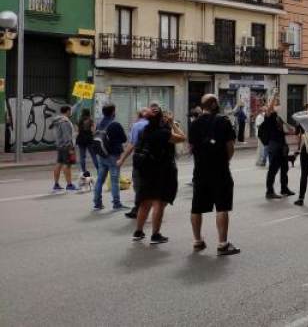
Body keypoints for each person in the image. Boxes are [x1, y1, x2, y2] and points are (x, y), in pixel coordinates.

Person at [188, 94, 240, 256]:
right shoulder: (223, 121)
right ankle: (222, 244)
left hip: (200, 170)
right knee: (222, 206)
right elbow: (230, 147)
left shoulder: (194, 124)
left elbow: (190, 148)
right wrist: (225, 161)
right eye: (217, 101)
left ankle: (197, 241)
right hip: (220, 169)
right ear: (213, 104)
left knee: (196, 207)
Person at [129, 107, 184, 244]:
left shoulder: (144, 131)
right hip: (162, 171)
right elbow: (182, 138)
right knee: (158, 202)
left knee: (145, 202)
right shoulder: (163, 133)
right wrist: (172, 123)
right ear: (161, 118)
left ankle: (138, 231)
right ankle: (155, 234)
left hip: (146, 171)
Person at [92, 103, 128, 211]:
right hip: (113, 156)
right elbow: (124, 139)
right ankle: (116, 203)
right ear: (112, 112)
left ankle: (97, 203)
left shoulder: (99, 123)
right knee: (114, 180)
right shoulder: (115, 124)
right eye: (115, 110)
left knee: (100, 179)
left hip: (102, 154)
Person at [261, 98, 295, 199]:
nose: (277, 106)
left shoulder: (277, 117)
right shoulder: (269, 116)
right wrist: (274, 96)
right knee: (273, 170)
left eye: (278, 104)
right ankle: (269, 191)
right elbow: (269, 109)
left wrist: (289, 131)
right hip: (274, 146)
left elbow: (280, 130)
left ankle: (284, 189)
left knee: (285, 168)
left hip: (282, 145)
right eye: (275, 104)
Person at [50, 105, 77, 192]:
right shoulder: (65, 121)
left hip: (59, 145)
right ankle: (69, 184)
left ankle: (56, 184)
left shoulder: (58, 120)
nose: (71, 112)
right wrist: (70, 147)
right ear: (68, 111)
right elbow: (66, 136)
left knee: (59, 163)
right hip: (66, 146)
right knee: (67, 165)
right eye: (70, 110)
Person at [76, 108, 97, 177]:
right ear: (89, 113)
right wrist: (93, 135)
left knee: (82, 156)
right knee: (93, 155)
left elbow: (78, 131)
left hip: (81, 139)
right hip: (89, 139)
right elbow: (94, 131)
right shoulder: (90, 121)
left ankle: (84, 170)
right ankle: (98, 168)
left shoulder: (79, 120)